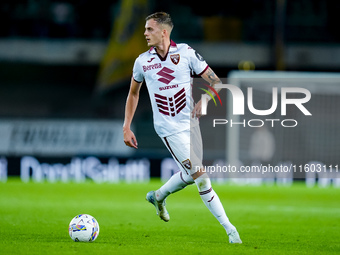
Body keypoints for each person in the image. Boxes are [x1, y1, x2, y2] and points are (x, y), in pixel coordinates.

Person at [123, 12, 242, 244]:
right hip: (168, 128)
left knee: (189, 175)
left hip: (190, 123)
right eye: (145, 29)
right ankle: (230, 230)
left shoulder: (186, 53)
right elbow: (133, 94)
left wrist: (205, 100)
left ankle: (157, 197)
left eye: (150, 29)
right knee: (201, 176)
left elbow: (216, 81)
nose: (145, 33)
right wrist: (126, 126)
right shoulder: (142, 62)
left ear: (163, 32)